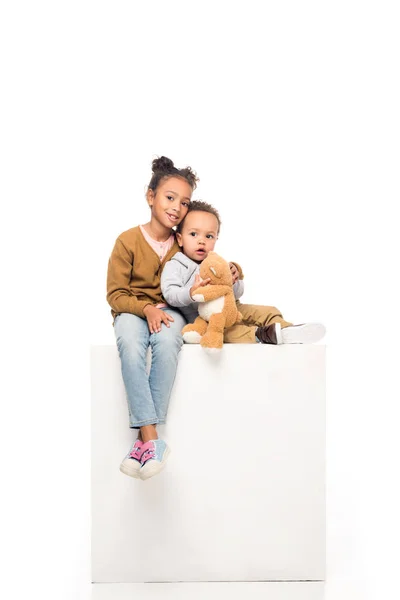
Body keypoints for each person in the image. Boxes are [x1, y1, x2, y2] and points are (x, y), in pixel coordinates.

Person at [106, 156, 198, 481]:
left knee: (169, 341)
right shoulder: (127, 241)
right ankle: (152, 438)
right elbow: (115, 293)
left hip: (169, 310)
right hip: (132, 310)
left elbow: (210, 260)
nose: (176, 208)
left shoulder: (183, 244)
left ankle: (141, 444)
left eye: (184, 202)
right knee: (130, 344)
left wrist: (235, 271)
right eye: (169, 197)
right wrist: (143, 309)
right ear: (151, 197)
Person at [161, 200, 326, 345]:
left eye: (209, 236)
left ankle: (286, 329)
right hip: (207, 319)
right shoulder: (176, 265)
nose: (202, 240)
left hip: (233, 308)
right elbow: (170, 294)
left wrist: (234, 279)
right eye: (193, 234)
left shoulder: (217, 262)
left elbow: (237, 293)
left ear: (216, 239)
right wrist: (190, 292)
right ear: (180, 238)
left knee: (268, 311)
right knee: (234, 332)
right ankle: (261, 334)